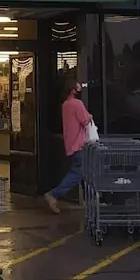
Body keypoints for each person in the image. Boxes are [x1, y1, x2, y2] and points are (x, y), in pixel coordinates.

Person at [44, 79, 93, 213]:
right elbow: (84, 120)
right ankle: (54, 194)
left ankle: (91, 200)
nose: (80, 88)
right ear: (73, 90)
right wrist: (90, 116)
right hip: (79, 144)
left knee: (84, 172)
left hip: (71, 144)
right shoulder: (77, 104)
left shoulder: (65, 105)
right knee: (78, 172)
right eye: (78, 87)